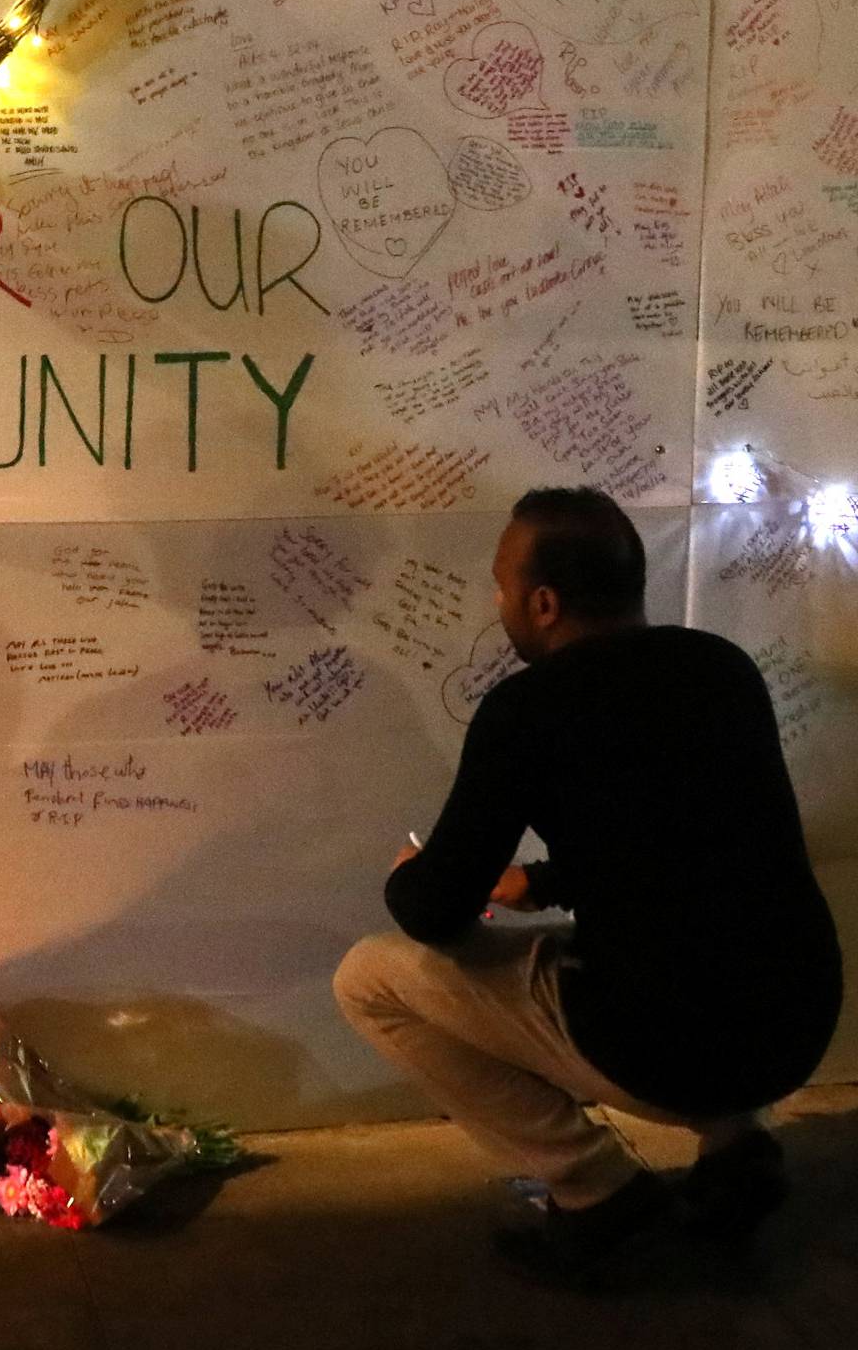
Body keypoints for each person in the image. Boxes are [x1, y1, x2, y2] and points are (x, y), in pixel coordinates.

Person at [333, 485, 843, 1288]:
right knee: (693, 937)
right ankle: (737, 1150)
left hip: (663, 1049)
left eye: (501, 586)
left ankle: (594, 1190)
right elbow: (691, 847)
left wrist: (412, 877)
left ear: (542, 603)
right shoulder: (720, 669)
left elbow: (436, 914)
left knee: (368, 978)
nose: (497, 602)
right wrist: (537, 882)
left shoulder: (527, 710)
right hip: (798, 1019)